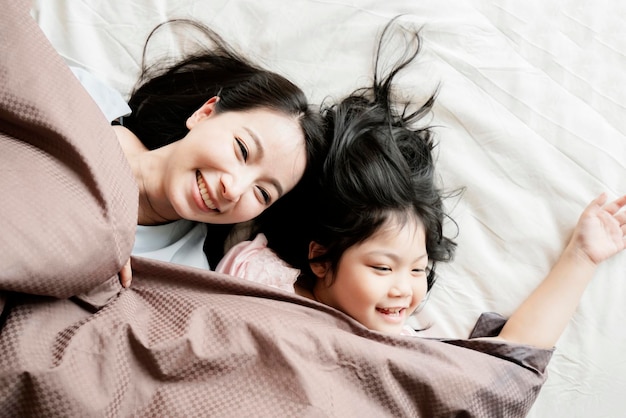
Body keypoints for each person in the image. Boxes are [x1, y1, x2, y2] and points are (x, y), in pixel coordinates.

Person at [217, 19, 626, 347]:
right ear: (321, 258)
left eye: (418, 269)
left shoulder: (405, 343)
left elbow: (508, 365)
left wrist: (582, 256)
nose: (404, 290)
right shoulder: (258, 275)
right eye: (382, 267)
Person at [106, 20, 326, 287]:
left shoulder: (184, 278)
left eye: (263, 193)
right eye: (242, 150)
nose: (233, 190)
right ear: (204, 113)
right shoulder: (88, 102)